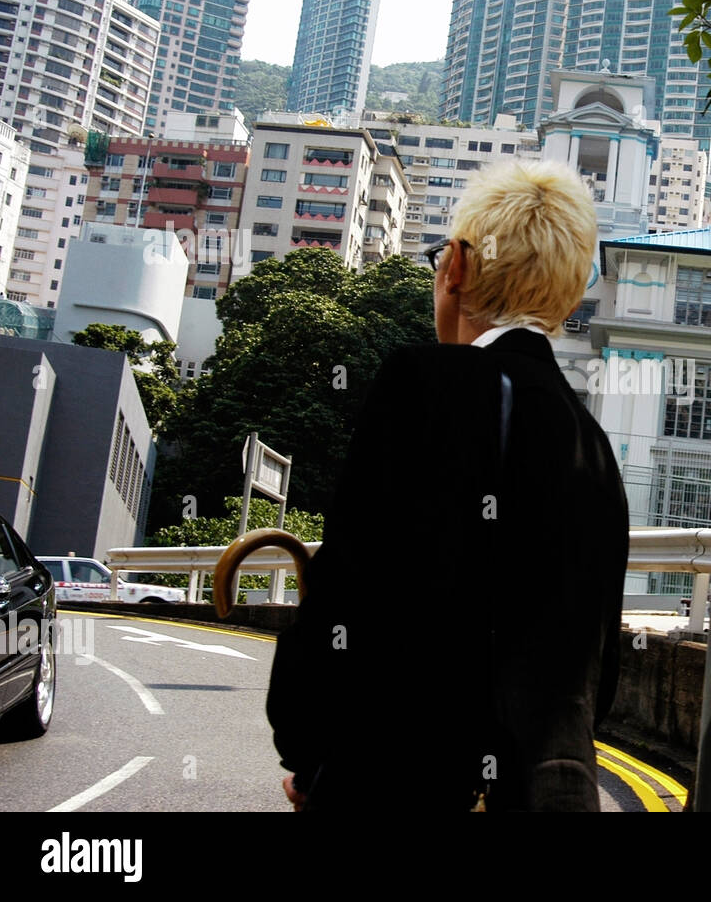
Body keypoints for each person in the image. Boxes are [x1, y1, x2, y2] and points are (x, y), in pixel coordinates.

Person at [265, 160, 630, 812]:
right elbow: (596, 674)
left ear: (456, 266)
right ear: (570, 299)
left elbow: (345, 596)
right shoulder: (595, 445)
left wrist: (309, 757)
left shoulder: (423, 384)